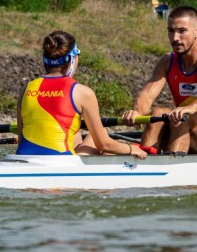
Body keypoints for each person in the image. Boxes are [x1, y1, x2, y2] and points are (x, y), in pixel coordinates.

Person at [120, 6, 197, 155]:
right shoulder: (167, 61)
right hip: (184, 126)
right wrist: (136, 113)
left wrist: (192, 107)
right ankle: (145, 163)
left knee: (184, 117)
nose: (175, 38)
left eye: (182, 31)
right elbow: (147, 95)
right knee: (159, 112)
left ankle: (170, 169)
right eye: (171, 31)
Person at [17, 30, 146, 158]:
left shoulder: (26, 89)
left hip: (22, 158)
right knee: (101, 136)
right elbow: (104, 144)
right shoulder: (82, 92)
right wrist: (132, 149)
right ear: (73, 59)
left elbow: (21, 138)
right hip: (61, 162)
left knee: (76, 135)